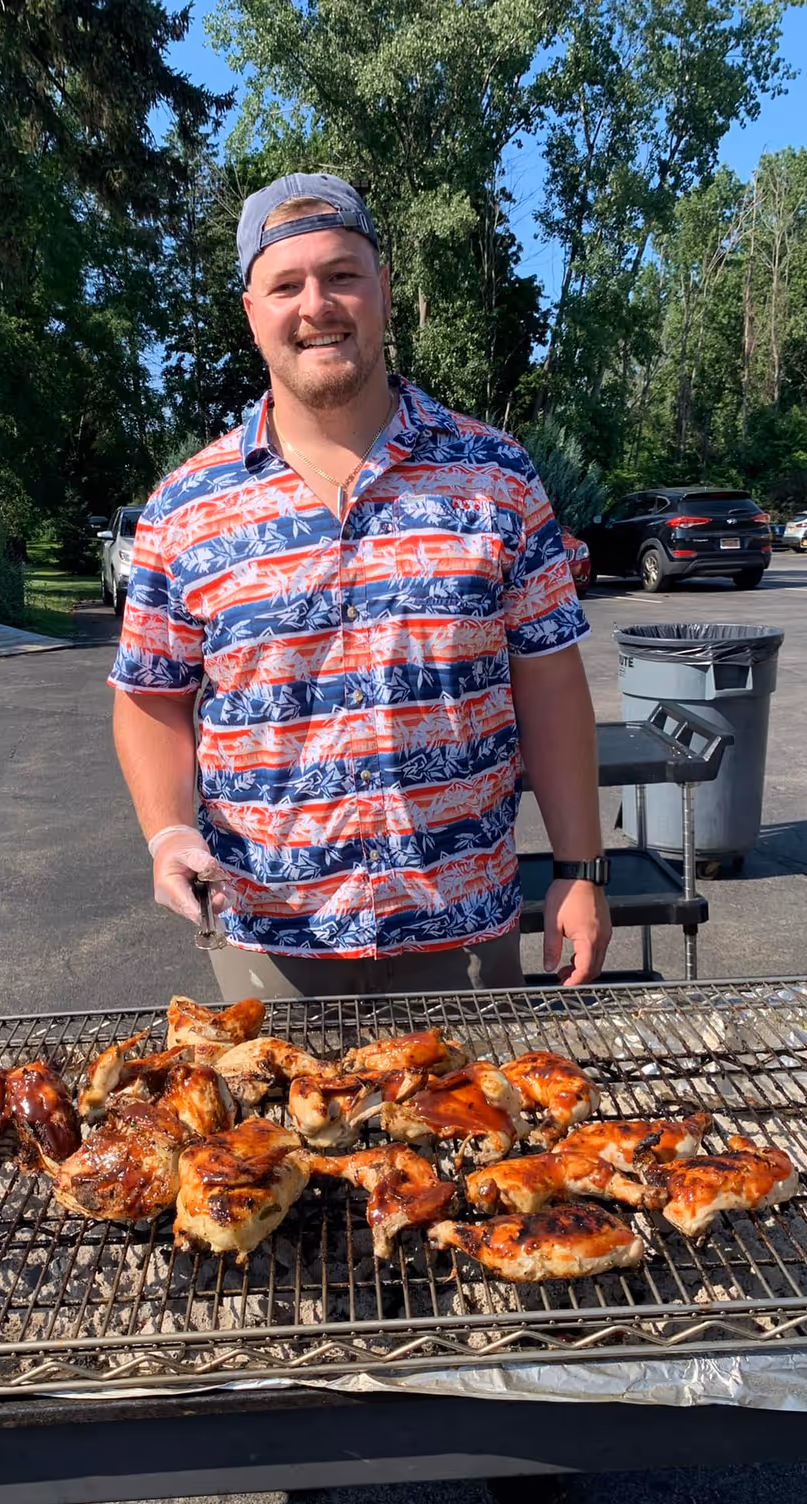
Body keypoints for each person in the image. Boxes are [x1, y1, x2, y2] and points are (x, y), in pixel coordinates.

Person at [109, 172, 611, 999]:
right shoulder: (185, 509)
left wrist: (579, 867)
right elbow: (150, 699)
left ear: (382, 289)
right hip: (268, 943)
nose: (317, 305)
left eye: (342, 275)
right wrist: (166, 833)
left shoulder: (496, 478)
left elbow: (550, 681)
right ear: (252, 312)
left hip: (465, 932)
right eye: (286, 285)